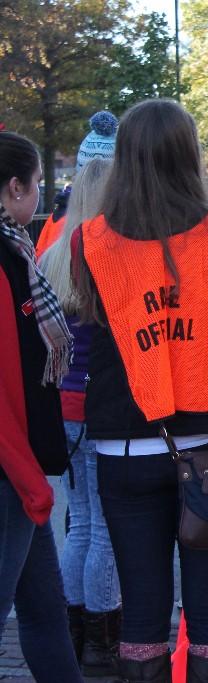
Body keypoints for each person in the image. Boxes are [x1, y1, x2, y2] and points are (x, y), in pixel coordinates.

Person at [72, 99, 208, 683]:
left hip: (125, 444)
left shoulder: (90, 242)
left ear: (124, 161)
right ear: (191, 156)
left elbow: (93, 325)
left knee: (141, 608)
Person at [0, 130, 84, 682]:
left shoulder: (18, 257)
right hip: (9, 470)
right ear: (14, 187)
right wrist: (29, 476)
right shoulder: (7, 262)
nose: (38, 198)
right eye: (35, 185)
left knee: (44, 610)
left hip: (17, 469)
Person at [38, 158, 123, 676]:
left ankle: (73, 632)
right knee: (107, 529)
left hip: (65, 404)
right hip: (104, 406)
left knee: (81, 524)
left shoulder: (51, 256)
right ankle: (102, 639)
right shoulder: (107, 255)